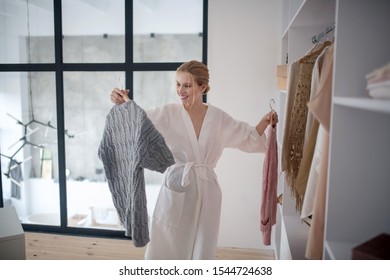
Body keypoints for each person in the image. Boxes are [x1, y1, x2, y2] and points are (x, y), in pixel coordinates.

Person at [110, 60, 278, 260]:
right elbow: (140, 120)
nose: (181, 90)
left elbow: (247, 136)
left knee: (202, 246)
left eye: (187, 85)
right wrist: (124, 104)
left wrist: (264, 122)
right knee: (167, 242)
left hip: (208, 191)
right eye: (178, 84)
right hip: (177, 184)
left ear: (203, 87)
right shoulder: (169, 112)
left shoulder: (218, 118)